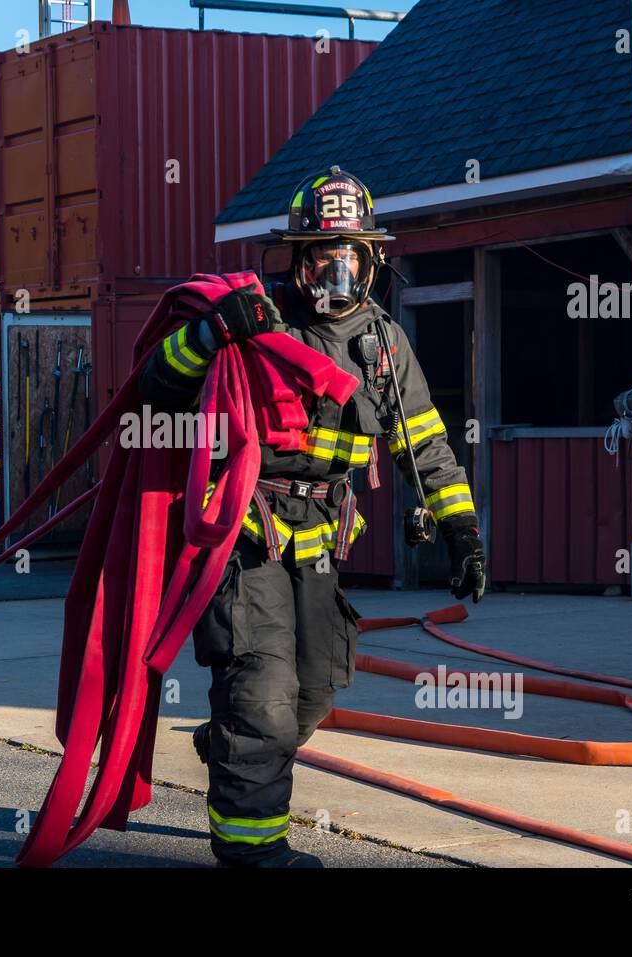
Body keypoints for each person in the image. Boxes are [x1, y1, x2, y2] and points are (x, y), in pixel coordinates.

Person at [137, 166, 486, 868]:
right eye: (323, 254)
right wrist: (208, 336)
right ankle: (254, 854)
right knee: (263, 695)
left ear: (374, 260)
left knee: (313, 694)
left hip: (321, 544)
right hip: (246, 539)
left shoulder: (385, 345)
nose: (338, 268)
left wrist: (462, 532)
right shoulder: (250, 320)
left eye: (352, 254)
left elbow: (425, 443)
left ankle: (230, 744)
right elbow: (153, 388)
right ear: (295, 259)